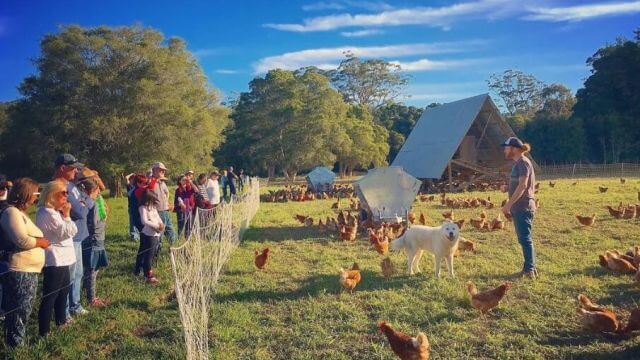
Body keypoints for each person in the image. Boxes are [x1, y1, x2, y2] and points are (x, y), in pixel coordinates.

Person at [0, 178, 50, 347]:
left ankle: (16, 342)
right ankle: (15, 346)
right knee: (19, 309)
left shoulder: (19, 213)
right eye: (35, 194)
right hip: (20, 269)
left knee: (24, 308)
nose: (36, 198)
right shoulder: (11, 212)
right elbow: (21, 239)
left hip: (28, 270)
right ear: (26, 193)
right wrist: (40, 242)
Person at [36, 180, 78, 337]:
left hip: (64, 258)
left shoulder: (54, 212)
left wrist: (65, 216)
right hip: (55, 260)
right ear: (52, 194)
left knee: (64, 291)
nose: (66, 197)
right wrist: (67, 215)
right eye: (63, 193)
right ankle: (44, 332)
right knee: (50, 296)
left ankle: (61, 321)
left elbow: (69, 230)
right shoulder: (46, 213)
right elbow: (67, 232)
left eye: (67, 193)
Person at [52, 153, 90, 318]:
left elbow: (82, 204)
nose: (76, 171)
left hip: (78, 235)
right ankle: (65, 312)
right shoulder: (59, 187)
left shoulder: (71, 185)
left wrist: (84, 202)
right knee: (69, 276)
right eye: (73, 168)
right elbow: (80, 211)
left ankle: (75, 305)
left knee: (78, 273)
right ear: (62, 168)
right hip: (69, 238)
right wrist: (87, 201)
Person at [500, 137, 538, 279]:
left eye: (506, 147)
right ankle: (530, 268)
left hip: (523, 207)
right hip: (520, 207)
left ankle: (529, 270)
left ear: (514, 149)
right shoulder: (519, 163)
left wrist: (507, 205)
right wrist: (507, 188)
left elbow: (523, 186)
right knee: (524, 239)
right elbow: (519, 184)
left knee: (525, 239)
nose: (504, 149)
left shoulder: (522, 163)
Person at [79, 179, 108, 308]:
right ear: (93, 190)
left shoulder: (87, 202)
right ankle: (91, 298)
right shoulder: (93, 204)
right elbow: (94, 223)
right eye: (98, 190)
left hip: (93, 238)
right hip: (95, 239)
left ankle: (87, 293)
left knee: (89, 268)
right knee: (92, 269)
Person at [138, 190, 162, 284]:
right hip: (148, 234)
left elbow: (157, 217)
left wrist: (161, 224)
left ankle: (142, 270)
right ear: (147, 199)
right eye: (152, 200)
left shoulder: (153, 207)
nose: (153, 202)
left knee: (151, 254)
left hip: (156, 234)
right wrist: (155, 226)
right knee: (148, 255)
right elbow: (144, 221)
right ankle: (148, 275)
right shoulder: (142, 208)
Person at [150, 162, 176, 246]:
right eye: (161, 170)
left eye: (164, 171)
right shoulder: (150, 181)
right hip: (157, 212)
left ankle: (173, 249)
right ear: (154, 170)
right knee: (159, 233)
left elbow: (166, 192)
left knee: (170, 231)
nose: (163, 172)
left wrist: (167, 202)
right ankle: (156, 254)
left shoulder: (162, 182)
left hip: (165, 210)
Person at [125, 173, 139, 242]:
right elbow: (126, 177)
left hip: (138, 207)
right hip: (131, 207)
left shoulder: (138, 187)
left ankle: (138, 235)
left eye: (133, 179)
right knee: (132, 222)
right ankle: (134, 237)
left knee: (138, 221)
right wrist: (131, 174)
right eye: (131, 180)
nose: (132, 181)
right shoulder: (129, 186)